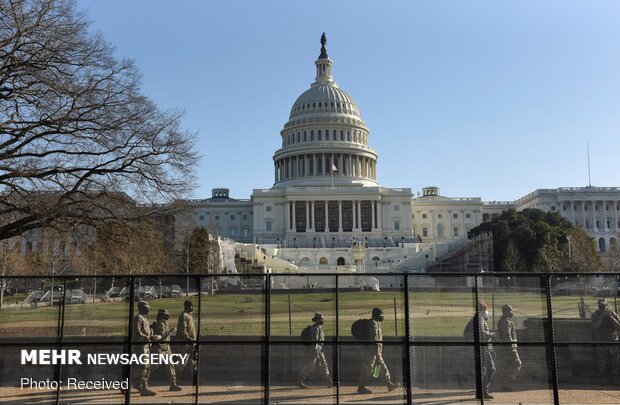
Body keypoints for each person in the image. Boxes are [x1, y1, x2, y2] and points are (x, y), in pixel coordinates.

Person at [357, 307, 399, 394]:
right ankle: (361, 387)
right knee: (368, 368)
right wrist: (376, 349)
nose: (382, 317)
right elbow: (374, 338)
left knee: (382, 367)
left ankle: (389, 384)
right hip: (371, 351)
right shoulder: (373, 323)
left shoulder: (377, 322)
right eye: (381, 315)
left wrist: (379, 349)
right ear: (376, 315)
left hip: (376, 351)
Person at [466, 301, 495, 400]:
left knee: (484, 370)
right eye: (485, 309)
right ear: (482, 310)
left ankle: (482, 392)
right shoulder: (480, 318)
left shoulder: (475, 319)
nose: (487, 312)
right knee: (491, 368)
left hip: (479, 347)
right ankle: (482, 391)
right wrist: (492, 334)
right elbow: (481, 332)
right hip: (482, 347)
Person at [130, 301, 158, 396]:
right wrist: (148, 337)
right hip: (140, 346)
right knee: (144, 366)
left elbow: (146, 331)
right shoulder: (138, 318)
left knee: (143, 366)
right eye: (146, 308)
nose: (148, 309)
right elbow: (137, 332)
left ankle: (137, 384)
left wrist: (152, 333)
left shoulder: (144, 318)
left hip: (146, 345)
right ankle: (144, 389)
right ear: (141, 308)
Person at [298, 313, 333, 389]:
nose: (322, 320)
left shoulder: (319, 327)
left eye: (322, 319)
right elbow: (315, 341)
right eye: (320, 319)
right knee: (310, 365)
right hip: (314, 349)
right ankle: (300, 379)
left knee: (324, 364)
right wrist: (316, 351)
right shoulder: (315, 328)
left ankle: (328, 380)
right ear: (316, 319)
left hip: (319, 349)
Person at [151, 309, 182, 391]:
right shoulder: (160, 324)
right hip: (160, 347)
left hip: (166, 346)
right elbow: (161, 335)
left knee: (170, 365)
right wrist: (170, 332)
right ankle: (140, 382)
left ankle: (173, 384)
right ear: (161, 315)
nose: (167, 316)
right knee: (153, 365)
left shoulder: (165, 323)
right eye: (165, 315)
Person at [591, 298, 620, 385]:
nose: (602, 307)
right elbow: (596, 327)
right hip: (601, 341)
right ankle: (602, 381)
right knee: (601, 362)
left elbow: (618, 326)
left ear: (607, 305)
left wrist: (610, 317)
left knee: (616, 362)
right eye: (600, 306)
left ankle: (616, 380)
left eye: (603, 305)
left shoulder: (612, 313)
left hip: (612, 341)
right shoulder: (595, 315)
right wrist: (601, 317)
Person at [496, 304, 522, 391]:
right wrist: (511, 347)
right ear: (506, 311)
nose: (512, 312)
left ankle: (506, 383)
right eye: (510, 310)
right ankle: (506, 383)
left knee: (508, 365)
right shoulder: (506, 321)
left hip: (506, 347)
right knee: (517, 363)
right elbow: (507, 335)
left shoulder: (504, 320)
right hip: (508, 347)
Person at [176, 299, 198, 385]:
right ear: (188, 307)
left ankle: (194, 379)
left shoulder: (189, 315)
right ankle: (174, 380)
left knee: (193, 362)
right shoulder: (184, 315)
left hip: (191, 342)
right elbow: (182, 329)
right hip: (185, 342)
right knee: (182, 362)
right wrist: (187, 338)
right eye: (192, 307)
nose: (193, 308)